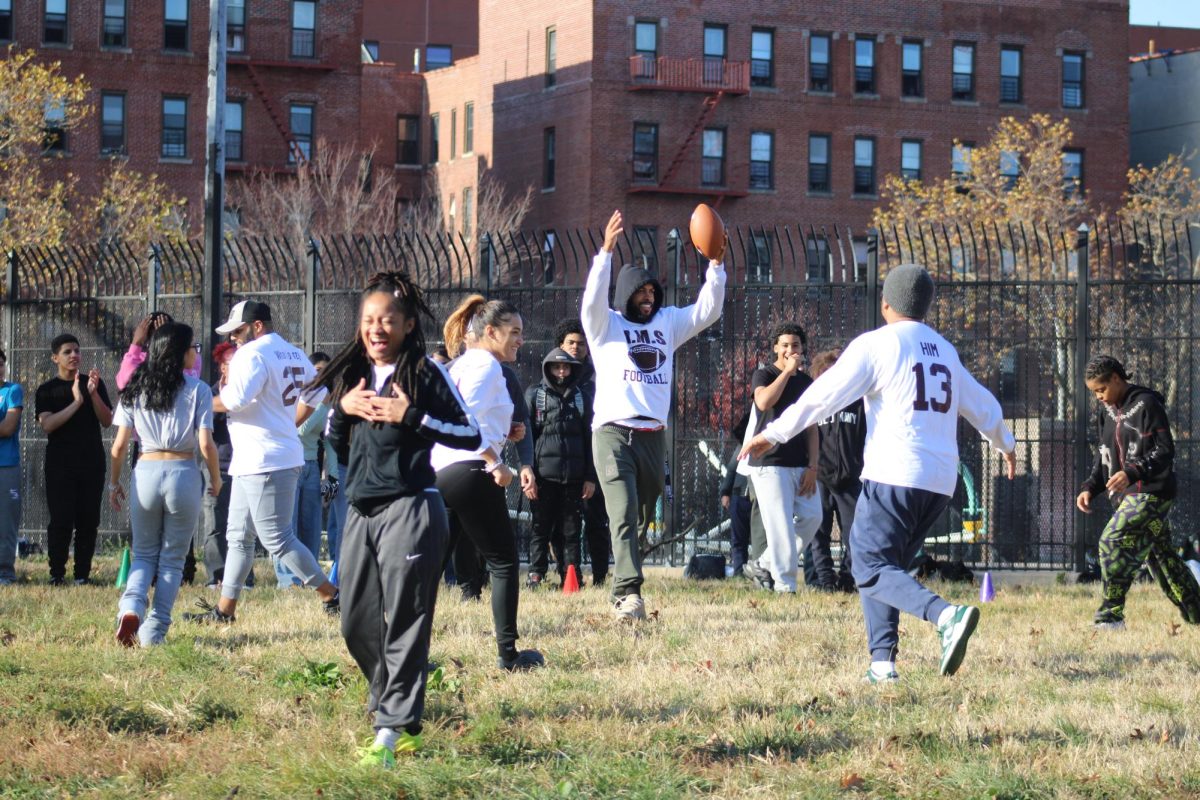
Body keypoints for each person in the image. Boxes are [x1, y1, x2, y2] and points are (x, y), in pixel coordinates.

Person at [741, 264, 1016, 683]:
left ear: (885, 303)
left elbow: (823, 395)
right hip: (939, 483)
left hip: (894, 475)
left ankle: (946, 616)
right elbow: (982, 404)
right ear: (926, 306)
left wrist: (775, 432)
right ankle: (882, 664)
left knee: (867, 567)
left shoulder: (877, 344)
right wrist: (1006, 444)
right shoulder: (944, 349)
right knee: (887, 571)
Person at [314, 272, 481, 765]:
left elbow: (469, 433)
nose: (377, 328)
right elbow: (336, 442)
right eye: (369, 320)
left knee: (406, 621)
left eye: (387, 319)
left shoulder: (424, 372)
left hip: (412, 507)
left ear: (408, 325)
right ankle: (400, 709)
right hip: (360, 510)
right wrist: (343, 409)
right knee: (354, 623)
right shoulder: (353, 375)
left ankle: (392, 731)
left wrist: (410, 417)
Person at [583, 210, 725, 620]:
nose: (647, 298)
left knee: (642, 516)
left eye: (652, 292)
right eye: (640, 293)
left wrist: (715, 264)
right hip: (611, 432)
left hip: (651, 435)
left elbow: (707, 311)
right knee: (623, 511)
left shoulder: (666, 323)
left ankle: (620, 585)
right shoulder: (603, 325)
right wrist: (605, 253)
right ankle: (630, 595)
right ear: (625, 293)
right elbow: (591, 299)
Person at [184, 301, 338, 622]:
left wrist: (196, 403)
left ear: (257, 327)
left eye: (238, 331)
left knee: (277, 540)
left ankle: (333, 596)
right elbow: (316, 395)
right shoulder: (293, 352)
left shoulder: (251, 354)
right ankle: (224, 611)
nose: (234, 340)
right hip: (262, 457)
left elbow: (236, 399)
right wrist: (286, 426)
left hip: (265, 460)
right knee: (238, 537)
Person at [432, 295, 544, 671]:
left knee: (430, 567)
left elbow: (456, 416)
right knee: (503, 561)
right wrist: (495, 462)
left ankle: (404, 650)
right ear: (491, 331)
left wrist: (503, 432)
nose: (520, 340)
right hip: (471, 471)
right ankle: (509, 655)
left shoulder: (462, 365)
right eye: (514, 332)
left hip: (442, 472)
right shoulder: (486, 367)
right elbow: (466, 422)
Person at [110, 323, 221, 646]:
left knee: (144, 553)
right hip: (183, 471)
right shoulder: (198, 389)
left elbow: (118, 446)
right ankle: (154, 630)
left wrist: (114, 483)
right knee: (172, 558)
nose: (196, 354)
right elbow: (206, 445)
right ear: (180, 351)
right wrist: (215, 479)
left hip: (145, 469)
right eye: (193, 348)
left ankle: (131, 606)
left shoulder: (135, 386)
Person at [1076, 355, 1200, 630]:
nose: (1098, 397)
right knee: (1164, 562)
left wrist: (1132, 472)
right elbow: (1103, 458)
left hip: (1153, 494)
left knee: (1112, 539)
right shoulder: (1105, 414)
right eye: (1094, 392)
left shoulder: (1147, 403)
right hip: (1127, 498)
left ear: (1117, 379)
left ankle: (1111, 615)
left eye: (1101, 389)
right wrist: (1089, 488)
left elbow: (1165, 450)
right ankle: (1197, 613)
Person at [744, 322, 822, 594]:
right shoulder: (764, 374)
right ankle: (785, 586)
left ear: (803, 348)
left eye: (796, 345)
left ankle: (764, 562)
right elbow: (764, 402)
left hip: (800, 464)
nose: (790, 350)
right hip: (769, 464)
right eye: (785, 345)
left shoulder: (807, 383)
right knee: (780, 527)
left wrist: (813, 465)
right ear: (776, 347)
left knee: (813, 517)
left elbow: (812, 426)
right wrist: (787, 373)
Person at [35, 333, 113, 585]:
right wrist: (77, 402)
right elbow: (48, 424)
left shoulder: (93, 384)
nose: (74, 356)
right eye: (67, 352)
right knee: (61, 520)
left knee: (88, 521)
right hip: (60, 465)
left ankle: (82, 575)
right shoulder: (47, 390)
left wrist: (91, 395)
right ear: (55, 357)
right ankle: (56, 573)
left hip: (91, 463)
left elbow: (107, 420)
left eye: (77, 351)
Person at [523, 347, 596, 588]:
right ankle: (536, 574)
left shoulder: (581, 398)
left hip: (574, 478)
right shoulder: (535, 396)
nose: (562, 371)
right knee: (540, 528)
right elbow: (526, 439)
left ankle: (571, 576)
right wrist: (529, 474)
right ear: (548, 368)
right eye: (556, 367)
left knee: (572, 530)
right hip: (543, 478)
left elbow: (589, 439)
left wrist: (589, 476)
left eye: (565, 367)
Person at [554, 318, 609, 585]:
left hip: (594, 454)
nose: (576, 348)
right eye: (570, 343)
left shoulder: (599, 374)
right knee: (559, 523)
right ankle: (565, 573)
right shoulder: (550, 375)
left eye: (581, 343)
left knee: (596, 519)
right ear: (560, 346)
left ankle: (600, 575)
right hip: (560, 459)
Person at [807, 348, 867, 593]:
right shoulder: (814, 402)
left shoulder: (859, 402)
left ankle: (847, 579)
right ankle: (824, 580)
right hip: (819, 477)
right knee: (817, 533)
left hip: (850, 477)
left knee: (855, 534)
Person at [274, 351, 332, 586]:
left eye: (326, 370)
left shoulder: (327, 400)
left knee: (312, 526)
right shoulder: (298, 398)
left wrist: (330, 479)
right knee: (288, 526)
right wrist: (319, 405)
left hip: (311, 466)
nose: (322, 375)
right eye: (317, 370)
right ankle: (288, 581)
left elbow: (329, 441)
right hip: (290, 464)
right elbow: (300, 428)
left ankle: (310, 578)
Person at [0, 349, 23, 585]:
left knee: (5, 522)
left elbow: (7, 428)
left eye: (0, 364)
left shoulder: (12, 391)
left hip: (6, 466)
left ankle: (5, 573)